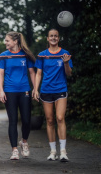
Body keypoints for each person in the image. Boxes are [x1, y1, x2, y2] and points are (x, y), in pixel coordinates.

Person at [33, 29, 73, 162]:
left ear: (59, 38)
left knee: (60, 118)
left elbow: (69, 74)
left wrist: (66, 63)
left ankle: (63, 151)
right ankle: (53, 151)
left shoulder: (65, 53)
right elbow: (38, 74)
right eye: (51, 36)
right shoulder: (42, 55)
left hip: (60, 89)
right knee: (50, 120)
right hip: (46, 90)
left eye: (56, 36)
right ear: (47, 38)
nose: (54, 38)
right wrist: (35, 89)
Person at [0, 31, 36, 160]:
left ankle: (24, 142)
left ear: (15, 41)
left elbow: (32, 73)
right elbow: (0, 74)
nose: (5, 43)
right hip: (9, 91)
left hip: (25, 90)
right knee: (12, 120)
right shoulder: (3, 56)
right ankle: (14, 150)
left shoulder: (25, 55)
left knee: (26, 120)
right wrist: (1, 91)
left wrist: (35, 89)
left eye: (7, 40)